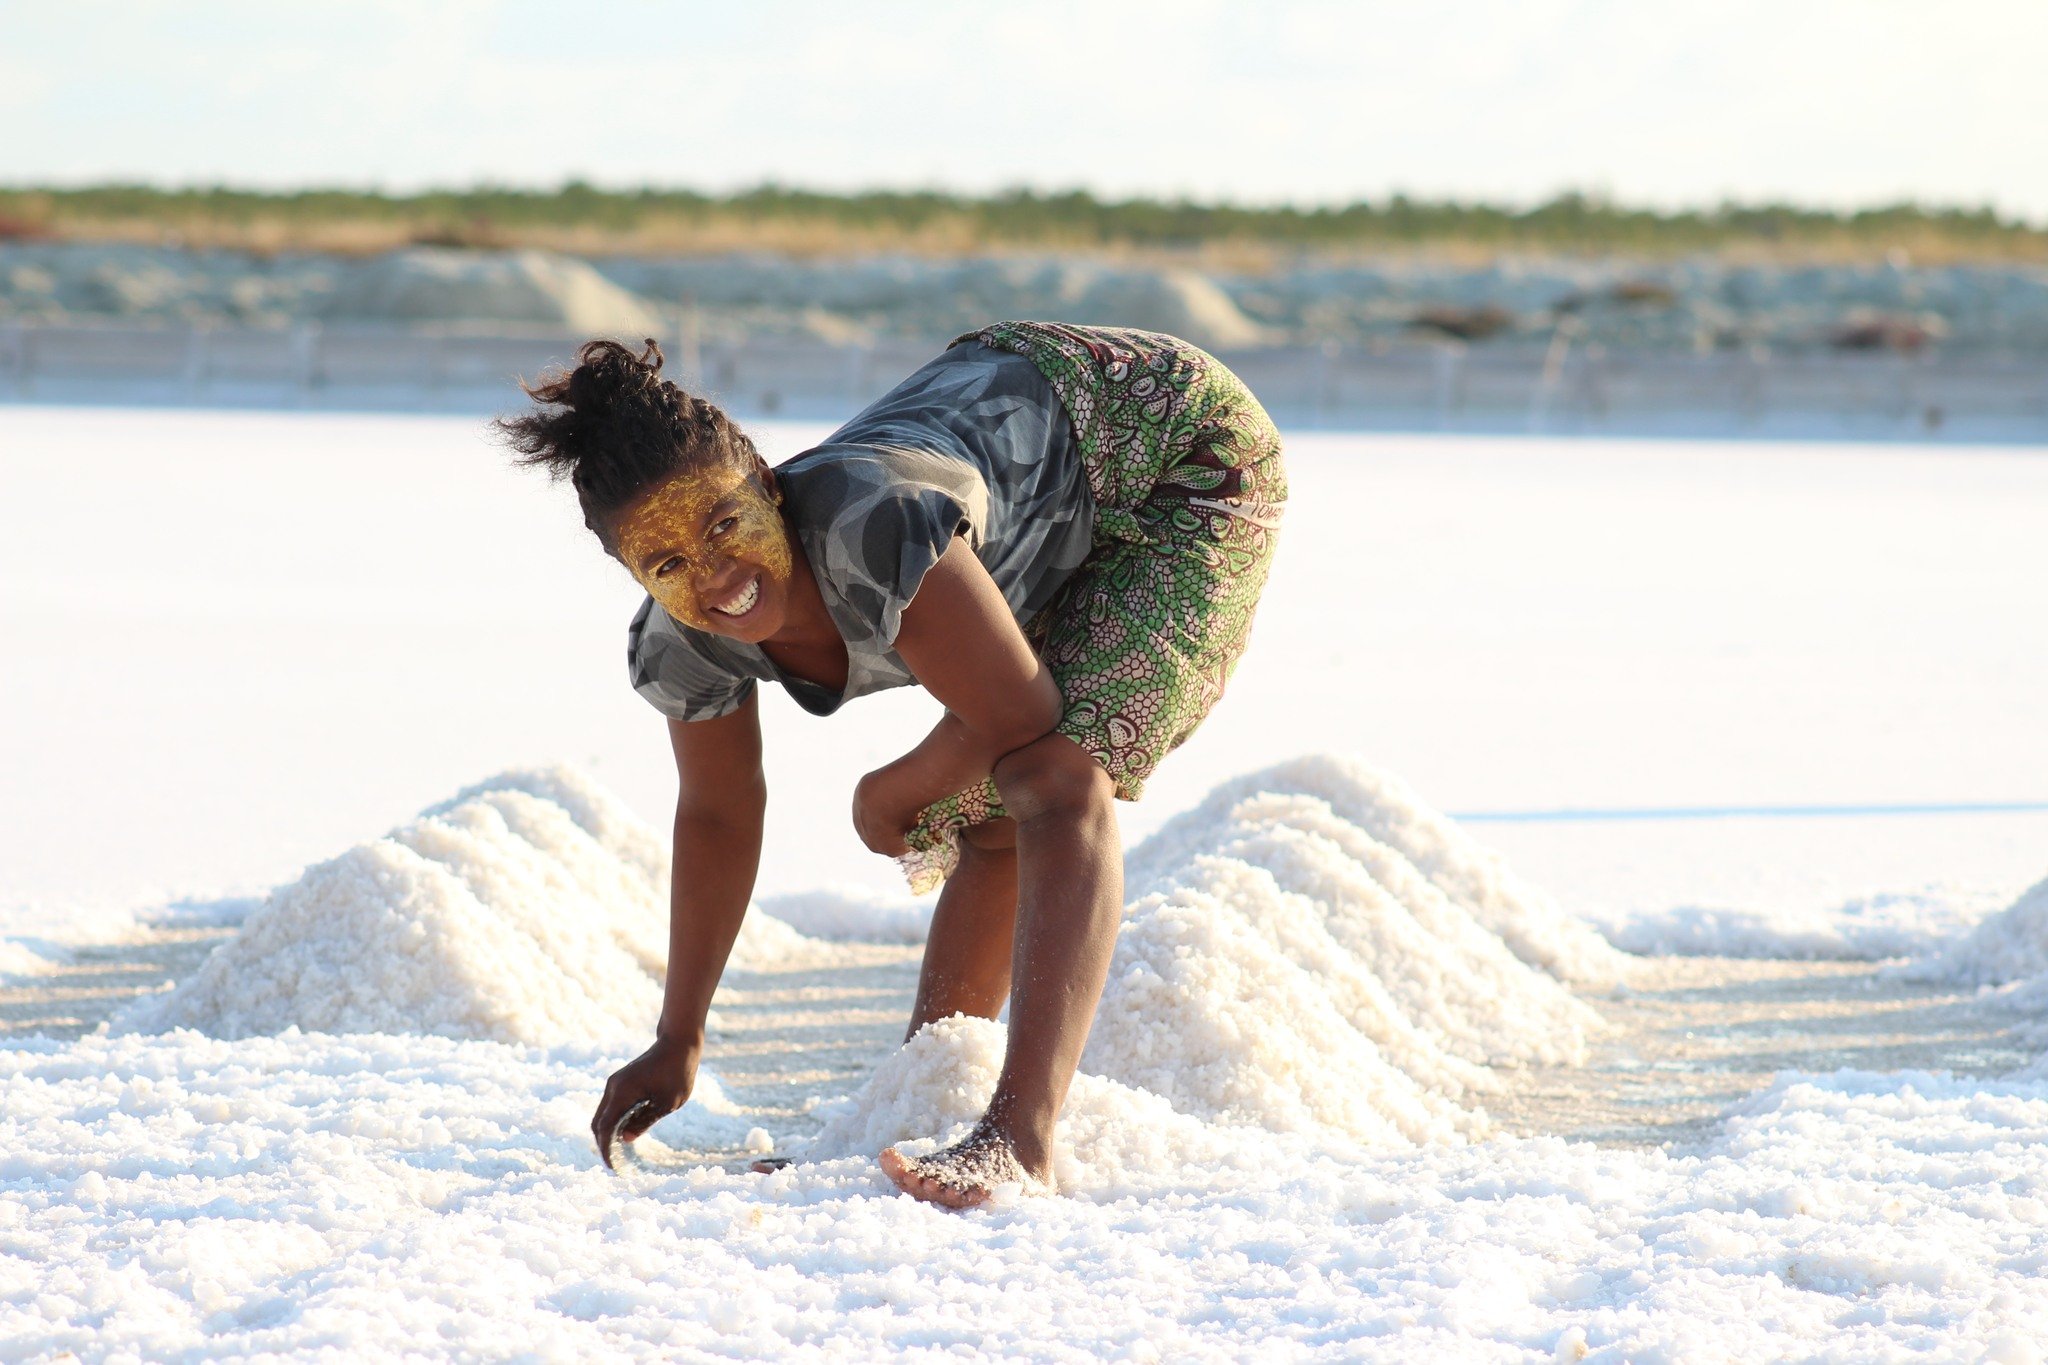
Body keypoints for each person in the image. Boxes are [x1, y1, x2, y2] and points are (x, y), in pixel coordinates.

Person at [498, 321, 1285, 1207]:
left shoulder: (874, 529)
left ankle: (1019, 1139)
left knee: (1049, 777)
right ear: (632, 571)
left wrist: (888, 794)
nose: (716, 577)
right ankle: (913, 1108)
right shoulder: (681, 642)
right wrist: (679, 1034)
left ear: (766, 480)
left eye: (726, 524)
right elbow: (718, 813)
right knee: (984, 815)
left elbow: (1021, 711)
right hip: (1031, 460)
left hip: (1177, 447)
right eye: (668, 562)